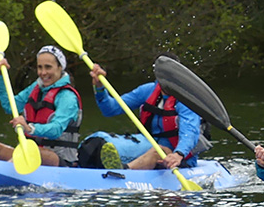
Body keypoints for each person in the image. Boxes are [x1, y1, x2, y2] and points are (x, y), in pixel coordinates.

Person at [76, 56, 211, 171]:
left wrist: (178, 154)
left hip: (176, 155)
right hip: (147, 144)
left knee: (157, 152)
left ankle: (125, 171)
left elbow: (190, 132)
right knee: (98, 140)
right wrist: (100, 88)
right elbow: (110, 109)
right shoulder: (148, 90)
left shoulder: (185, 99)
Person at [0, 45, 82, 167]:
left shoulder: (67, 97)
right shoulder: (36, 87)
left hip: (62, 162)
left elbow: (57, 129)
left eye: (48, 67)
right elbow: (10, 106)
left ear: (60, 67)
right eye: (40, 67)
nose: (43, 73)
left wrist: (30, 128)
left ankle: (1, 171)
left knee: (36, 152)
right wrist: (0, 76)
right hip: (28, 154)